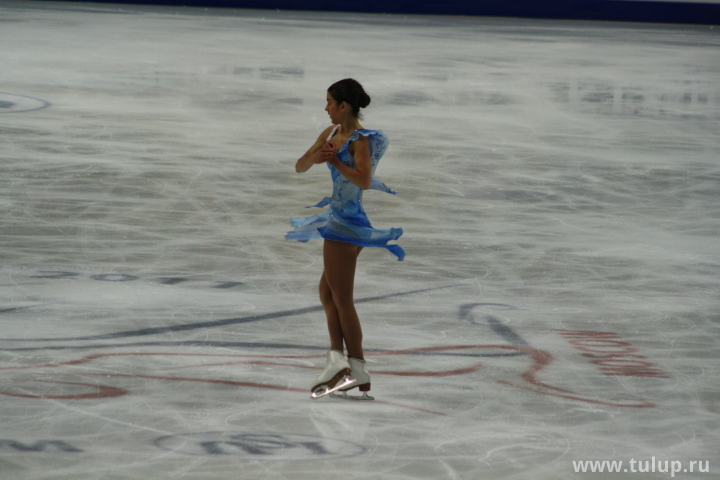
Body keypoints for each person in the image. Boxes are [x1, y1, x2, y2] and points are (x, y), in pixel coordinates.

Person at [286, 78, 404, 400]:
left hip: (346, 225)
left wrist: (336, 161)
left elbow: (364, 181)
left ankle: (350, 364)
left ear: (344, 105)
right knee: (328, 293)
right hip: (339, 219)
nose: (326, 108)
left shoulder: (360, 141)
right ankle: (343, 361)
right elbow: (299, 167)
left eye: (329, 102)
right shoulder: (330, 134)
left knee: (342, 298)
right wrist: (317, 157)